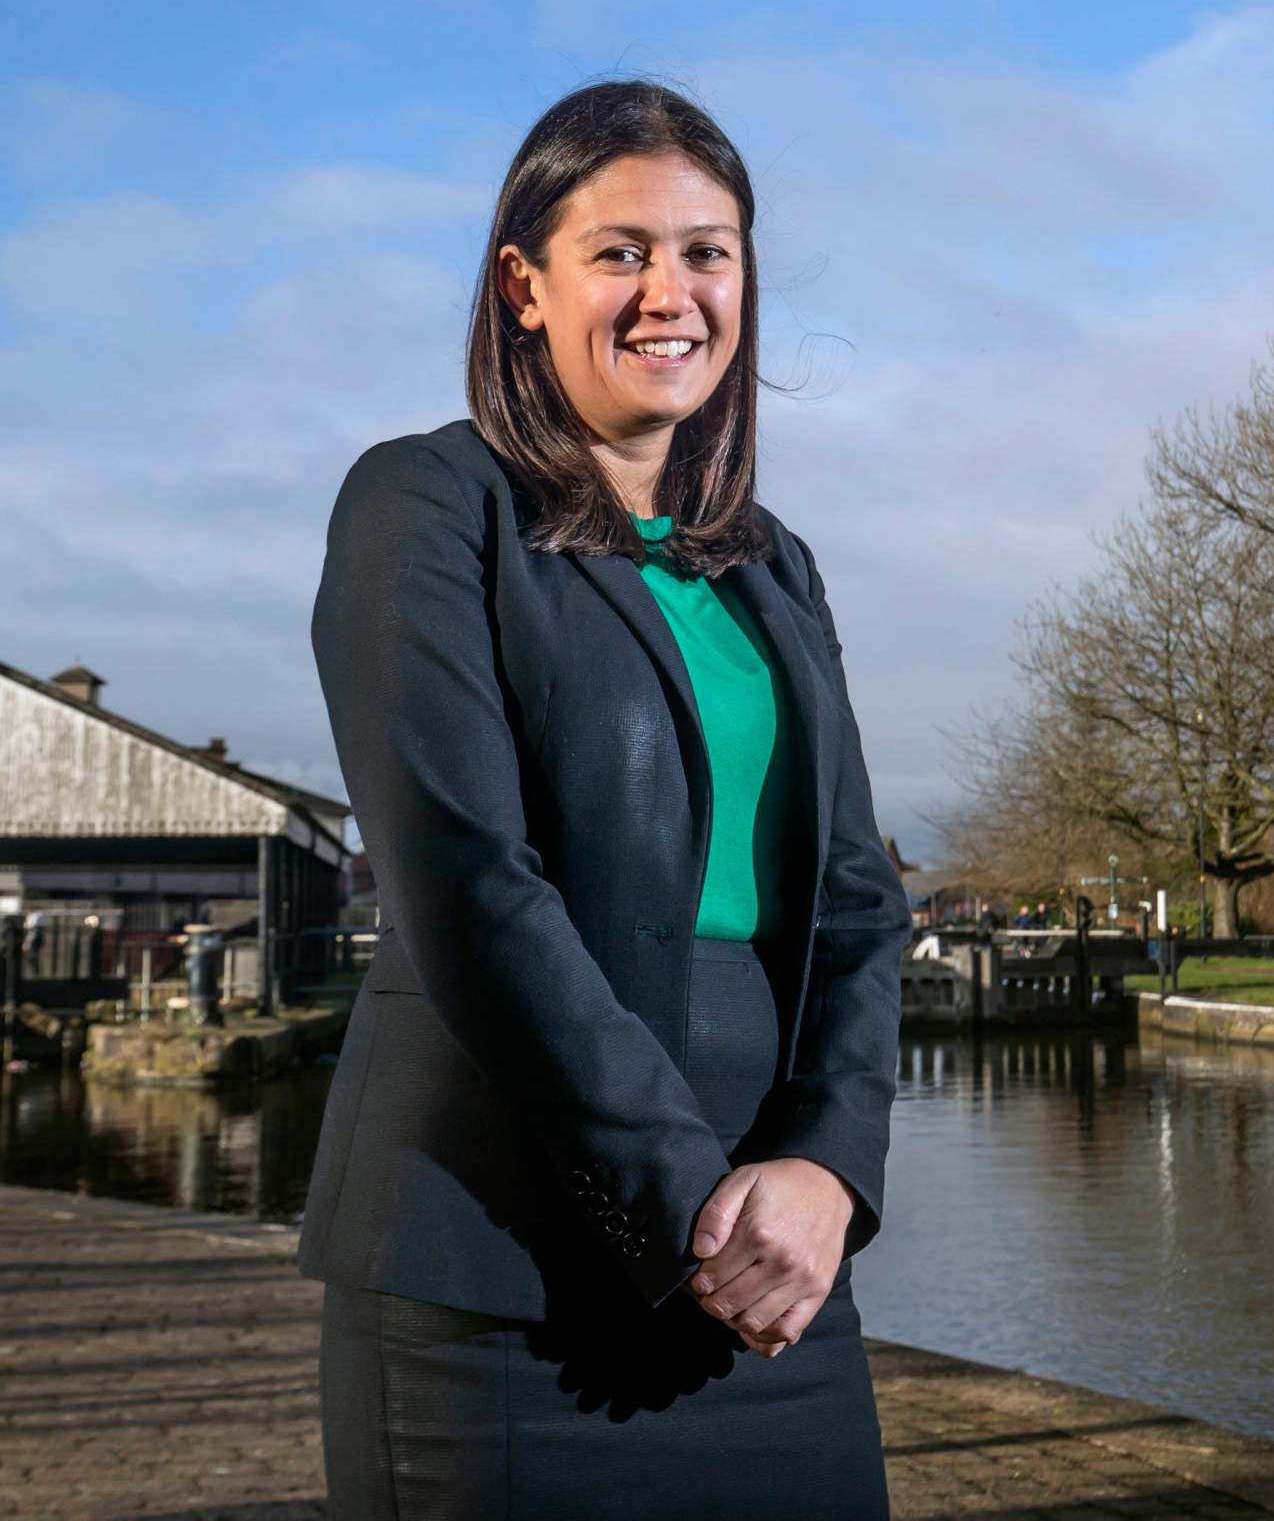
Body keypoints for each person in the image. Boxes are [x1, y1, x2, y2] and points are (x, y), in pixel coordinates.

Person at [300, 79, 906, 1519]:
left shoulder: (775, 567)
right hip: (499, 1278)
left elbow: (861, 902)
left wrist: (826, 1170)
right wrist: (692, 1201)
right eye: (620, 250)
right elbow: (466, 882)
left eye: (707, 251)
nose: (669, 292)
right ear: (524, 284)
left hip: (773, 1269)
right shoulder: (425, 507)